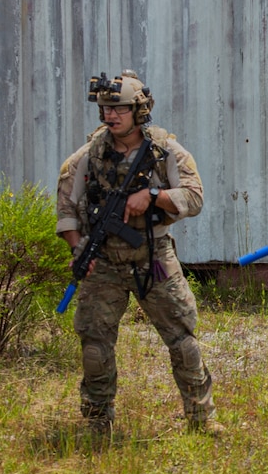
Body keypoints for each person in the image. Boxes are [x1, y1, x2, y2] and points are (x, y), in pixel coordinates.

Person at [56, 71, 218, 440]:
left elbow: (194, 197)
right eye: (105, 109)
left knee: (183, 339)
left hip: (154, 256)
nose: (111, 116)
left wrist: (154, 196)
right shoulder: (89, 155)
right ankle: (98, 421)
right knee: (95, 344)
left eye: (119, 109)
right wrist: (78, 246)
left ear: (139, 110)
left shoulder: (165, 151)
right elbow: (66, 207)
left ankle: (201, 417)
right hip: (105, 262)